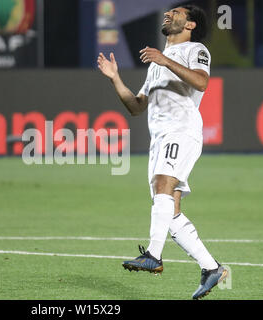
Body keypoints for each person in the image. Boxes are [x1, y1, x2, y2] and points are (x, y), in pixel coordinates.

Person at [97, 5, 228, 299]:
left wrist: (166, 60)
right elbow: (136, 106)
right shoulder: (157, 63)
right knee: (168, 208)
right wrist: (115, 78)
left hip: (182, 130)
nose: (169, 14)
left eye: (177, 12)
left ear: (191, 24)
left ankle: (154, 255)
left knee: (163, 186)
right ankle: (211, 269)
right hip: (160, 138)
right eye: (168, 12)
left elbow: (202, 81)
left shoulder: (196, 50)